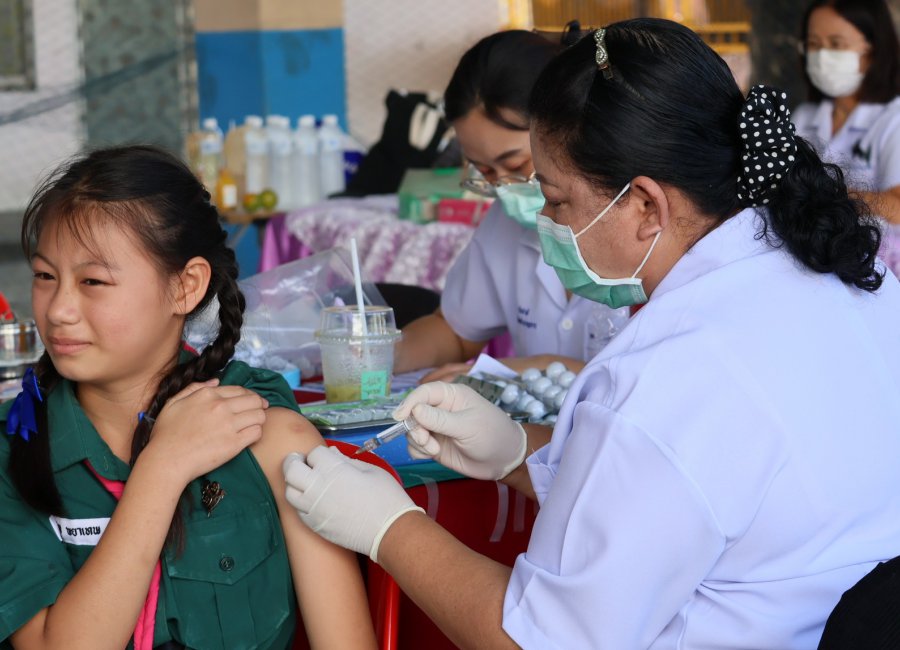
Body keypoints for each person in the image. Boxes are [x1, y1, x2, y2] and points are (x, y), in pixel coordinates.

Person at [282, 18, 900, 649]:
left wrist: (389, 527)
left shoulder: (666, 375)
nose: (544, 220)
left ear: (645, 205)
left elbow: (537, 640)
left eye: (555, 199)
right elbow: (684, 500)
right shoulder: (845, 276)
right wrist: (521, 452)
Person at [0, 146, 376, 649]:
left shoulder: (268, 436)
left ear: (186, 287)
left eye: (93, 281)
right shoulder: (13, 450)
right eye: (45, 276)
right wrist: (162, 468)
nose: (59, 310)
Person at [393, 27, 629, 381]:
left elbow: (659, 383)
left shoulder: (640, 225)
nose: (505, 188)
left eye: (517, 165)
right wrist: (377, 357)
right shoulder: (505, 224)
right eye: (486, 171)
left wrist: (542, 368)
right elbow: (457, 330)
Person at [793, 0, 900, 275]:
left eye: (836, 44)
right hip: (815, 265)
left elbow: (897, 207)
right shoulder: (803, 118)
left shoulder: (894, 119)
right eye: (813, 44)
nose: (822, 55)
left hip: (881, 271)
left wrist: (819, 195)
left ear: (873, 51)